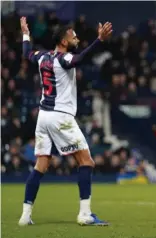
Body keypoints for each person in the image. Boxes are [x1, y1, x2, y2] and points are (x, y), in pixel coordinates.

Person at [18, 17, 112, 226]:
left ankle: (25, 215)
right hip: (60, 116)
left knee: (41, 164)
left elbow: (26, 54)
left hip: (43, 116)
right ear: (62, 40)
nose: (76, 38)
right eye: (73, 35)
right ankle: (85, 214)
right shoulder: (63, 59)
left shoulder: (42, 56)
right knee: (86, 161)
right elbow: (78, 60)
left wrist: (26, 34)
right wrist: (99, 41)